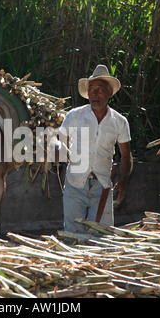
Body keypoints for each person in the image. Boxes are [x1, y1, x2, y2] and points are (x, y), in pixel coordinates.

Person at [57, 64, 133, 233]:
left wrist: (123, 181)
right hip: (75, 183)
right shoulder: (74, 116)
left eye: (100, 89)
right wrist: (58, 149)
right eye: (91, 89)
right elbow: (59, 139)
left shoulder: (119, 122)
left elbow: (126, 155)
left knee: (101, 238)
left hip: (102, 186)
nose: (94, 93)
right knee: (72, 236)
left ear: (110, 92)